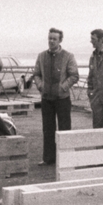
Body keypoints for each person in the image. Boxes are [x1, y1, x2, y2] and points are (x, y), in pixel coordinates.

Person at [33, 28, 79, 165]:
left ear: (60, 40)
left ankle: (66, 159)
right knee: (47, 129)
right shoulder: (41, 56)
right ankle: (48, 158)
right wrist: (41, 86)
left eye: (54, 39)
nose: (51, 41)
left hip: (62, 99)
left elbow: (74, 75)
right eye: (49, 38)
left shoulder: (68, 56)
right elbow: (36, 74)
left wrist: (63, 87)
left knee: (64, 129)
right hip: (46, 99)